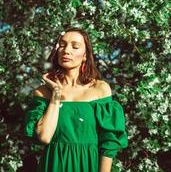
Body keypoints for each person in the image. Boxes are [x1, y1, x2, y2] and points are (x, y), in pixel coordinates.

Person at [24, 27, 128, 172]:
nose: (66, 50)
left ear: (85, 55)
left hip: (87, 164)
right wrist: (56, 94)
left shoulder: (100, 89)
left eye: (75, 46)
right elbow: (45, 137)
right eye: (62, 45)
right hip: (53, 165)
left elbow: (109, 142)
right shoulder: (43, 93)